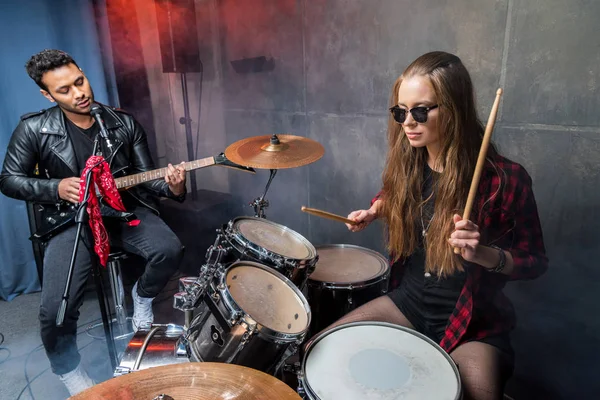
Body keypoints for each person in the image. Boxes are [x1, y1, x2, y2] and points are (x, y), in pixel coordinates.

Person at [329, 51, 548, 400]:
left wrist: (484, 255)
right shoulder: (409, 164)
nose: (408, 123)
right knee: (323, 352)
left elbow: (535, 261)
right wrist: (375, 210)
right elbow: (394, 194)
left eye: (420, 111)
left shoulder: (506, 179)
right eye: (401, 112)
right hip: (408, 303)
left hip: (473, 323)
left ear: (454, 108)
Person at [0, 49, 187, 395]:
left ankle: (141, 297)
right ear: (47, 94)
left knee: (169, 249)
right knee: (55, 310)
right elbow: (9, 179)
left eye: (79, 81)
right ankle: (69, 373)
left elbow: (146, 176)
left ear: (84, 73)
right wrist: (55, 187)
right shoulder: (34, 128)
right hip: (74, 219)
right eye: (65, 90)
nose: (79, 93)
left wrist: (173, 185)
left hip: (123, 210)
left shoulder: (123, 122)